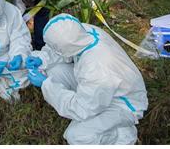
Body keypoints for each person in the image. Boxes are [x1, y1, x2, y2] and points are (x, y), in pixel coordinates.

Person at [26, 13, 148, 145]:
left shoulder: (97, 67)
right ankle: (101, 122)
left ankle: (122, 135)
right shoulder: (83, 31)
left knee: (77, 135)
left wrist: (46, 85)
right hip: (103, 90)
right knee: (55, 71)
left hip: (123, 104)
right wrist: (42, 58)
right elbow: (63, 49)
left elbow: (82, 109)